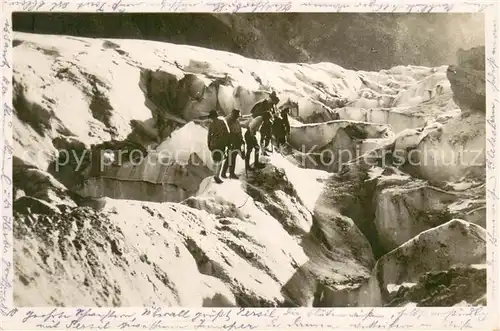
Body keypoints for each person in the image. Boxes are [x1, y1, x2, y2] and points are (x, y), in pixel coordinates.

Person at [207, 109, 230, 184]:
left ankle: (215, 174)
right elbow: (227, 133)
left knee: (215, 160)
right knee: (220, 161)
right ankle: (217, 176)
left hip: (213, 145)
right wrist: (227, 143)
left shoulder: (211, 125)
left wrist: (209, 145)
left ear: (211, 117)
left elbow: (209, 136)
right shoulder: (222, 122)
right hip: (221, 144)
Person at [222, 109, 245, 179]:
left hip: (237, 140)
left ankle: (230, 173)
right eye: (237, 116)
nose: (238, 117)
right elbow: (225, 132)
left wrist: (241, 139)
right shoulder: (227, 120)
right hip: (231, 141)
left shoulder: (236, 121)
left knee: (233, 157)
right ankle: (226, 173)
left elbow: (239, 130)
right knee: (230, 157)